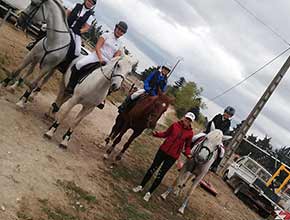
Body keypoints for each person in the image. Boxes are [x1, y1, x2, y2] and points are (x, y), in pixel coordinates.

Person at [132, 112, 195, 202]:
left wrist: (188, 154)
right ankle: (141, 186)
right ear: (184, 117)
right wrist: (156, 134)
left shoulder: (190, 133)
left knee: (161, 174)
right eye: (186, 118)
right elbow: (165, 134)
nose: (187, 121)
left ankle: (149, 193)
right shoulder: (175, 125)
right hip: (162, 151)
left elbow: (187, 146)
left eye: (189, 120)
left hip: (173, 156)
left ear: (190, 122)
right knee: (152, 168)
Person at [64, 21, 127, 96]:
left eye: (122, 31)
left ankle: (102, 98)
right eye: (119, 29)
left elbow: (116, 57)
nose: (120, 32)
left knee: (112, 78)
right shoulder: (106, 35)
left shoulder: (120, 44)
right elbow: (97, 47)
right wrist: (100, 59)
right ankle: (71, 86)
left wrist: (109, 64)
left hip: (107, 62)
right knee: (79, 64)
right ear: (116, 28)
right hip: (96, 56)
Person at [26, 0, 96, 56]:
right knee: (44, 27)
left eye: (92, 3)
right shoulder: (76, 5)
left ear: (92, 6)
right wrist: (62, 23)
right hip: (65, 26)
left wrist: (76, 31)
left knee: (77, 51)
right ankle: (35, 43)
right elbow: (66, 14)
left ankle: (64, 61)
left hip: (75, 32)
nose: (90, 3)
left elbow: (86, 28)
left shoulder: (90, 16)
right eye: (89, 1)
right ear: (85, 0)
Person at [206, 106, 235, 173]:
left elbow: (225, 132)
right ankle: (189, 150)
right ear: (224, 112)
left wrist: (220, 138)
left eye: (229, 115)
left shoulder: (228, 123)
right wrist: (207, 132)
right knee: (196, 137)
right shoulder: (217, 116)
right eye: (227, 113)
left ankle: (214, 166)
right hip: (210, 134)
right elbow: (210, 123)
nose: (227, 115)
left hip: (218, 138)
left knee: (222, 151)